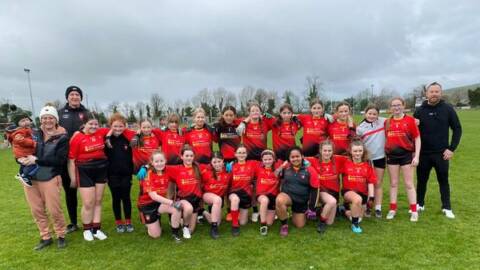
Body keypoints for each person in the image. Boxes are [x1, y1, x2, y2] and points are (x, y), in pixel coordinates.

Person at [20, 105, 68, 250]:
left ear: (56, 120)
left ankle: (61, 235)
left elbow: (60, 161)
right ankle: (45, 237)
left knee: (54, 209)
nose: (47, 120)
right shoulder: (32, 133)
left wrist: (36, 160)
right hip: (30, 179)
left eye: (51, 118)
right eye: (44, 118)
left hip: (50, 177)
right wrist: (20, 160)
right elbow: (19, 149)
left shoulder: (62, 138)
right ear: (40, 120)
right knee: (37, 210)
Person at [414, 82, 462, 219]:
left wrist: (451, 148)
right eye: (431, 91)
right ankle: (419, 203)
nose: (434, 94)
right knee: (422, 180)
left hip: (441, 153)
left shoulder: (448, 109)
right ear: (426, 94)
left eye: (437, 91)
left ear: (441, 93)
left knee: (443, 180)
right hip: (423, 153)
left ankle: (446, 207)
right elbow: (412, 131)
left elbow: (457, 129)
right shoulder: (419, 111)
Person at [68, 112, 110, 241]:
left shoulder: (101, 132)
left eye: (96, 124)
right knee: (88, 203)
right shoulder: (77, 137)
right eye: (90, 124)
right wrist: (73, 178)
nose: (94, 126)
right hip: (84, 170)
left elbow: (116, 127)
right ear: (84, 124)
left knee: (98, 201)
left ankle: (96, 229)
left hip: (101, 169)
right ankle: (87, 229)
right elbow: (71, 160)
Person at [58, 85, 90, 233]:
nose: (75, 97)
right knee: (70, 190)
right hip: (65, 158)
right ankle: (73, 222)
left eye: (77, 95)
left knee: (87, 191)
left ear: (81, 97)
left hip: (84, 158)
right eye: (72, 95)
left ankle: (88, 220)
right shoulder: (59, 113)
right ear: (67, 97)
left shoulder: (87, 113)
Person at [384, 98, 421, 222]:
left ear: (404, 106)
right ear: (390, 107)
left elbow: (417, 138)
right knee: (393, 183)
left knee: (409, 184)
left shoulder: (410, 120)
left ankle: (414, 211)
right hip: (392, 156)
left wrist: (416, 156)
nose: (396, 108)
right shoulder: (387, 122)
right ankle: (392, 209)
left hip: (406, 156)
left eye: (399, 105)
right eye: (394, 105)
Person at [137, 151, 182, 242]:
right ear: (152, 163)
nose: (159, 163)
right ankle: (146, 219)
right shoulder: (148, 174)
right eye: (156, 161)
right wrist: (172, 202)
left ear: (165, 161)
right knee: (156, 235)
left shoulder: (168, 169)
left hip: (160, 202)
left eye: (161, 161)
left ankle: (175, 234)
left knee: (176, 209)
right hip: (147, 204)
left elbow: (184, 167)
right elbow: (153, 196)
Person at [275, 146, 319, 237]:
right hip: (288, 197)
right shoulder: (286, 168)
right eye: (292, 157)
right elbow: (275, 176)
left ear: (302, 156)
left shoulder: (310, 170)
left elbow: (315, 189)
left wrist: (312, 208)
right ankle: (284, 225)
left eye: (297, 156)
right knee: (279, 201)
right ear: (289, 159)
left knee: (300, 225)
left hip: (301, 200)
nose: (295, 159)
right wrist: (281, 167)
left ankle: (311, 211)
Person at [306, 140, 346, 233]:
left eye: (329, 151)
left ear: (333, 151)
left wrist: (365, 160)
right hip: (321, 191)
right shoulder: (313, 160)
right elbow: (298, 159)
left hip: (334, 192)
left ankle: (318, 211)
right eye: (325, 150)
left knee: (330, 222)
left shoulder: (338, 159)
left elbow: (353, 158)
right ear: (320, 150)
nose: (327, 153)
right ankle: (321, 222)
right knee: (332, 202)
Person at [104, 113, 134, 233]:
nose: (118, 129)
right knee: (116, 198)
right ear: (110, 126)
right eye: (115, 126)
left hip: (126, 174)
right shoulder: (107, 139)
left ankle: (128, 221)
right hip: (112, 175)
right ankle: (119, 222)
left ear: (125, 126)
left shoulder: (128, 138)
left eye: (121, 126)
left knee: (126, 197)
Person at [167, 145, 204, 239]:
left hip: (195, 201)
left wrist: (230, 165)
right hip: (183, 199)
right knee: (188, 209)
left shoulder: (199, 167)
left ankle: (183, 220)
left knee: (192, 230)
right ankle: (184, 225)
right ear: (181, 156)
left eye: (191, 156)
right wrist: (146, 167)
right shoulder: (176, 169)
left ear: (194, 156)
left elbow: (214, 165)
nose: (189, 158)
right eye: (186, 156)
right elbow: (160, 166)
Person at [356, 104, 386, 218]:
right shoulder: (360, 127)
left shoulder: (383, 121)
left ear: (378, 115)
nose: (372, 116)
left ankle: (378, 208)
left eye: (375, 114)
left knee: (378, 183)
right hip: (367, 159)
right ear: (365, 113)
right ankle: (368, 206)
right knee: (367, 184)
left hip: (380, 157)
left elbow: (398, 117)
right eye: (370, 113)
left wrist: (415, 120)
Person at [341, 140, 376, 233]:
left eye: (360, 151)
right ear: (350, 152)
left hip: (363, 194)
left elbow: (371, 182)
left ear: (363, 151)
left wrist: (371, 198)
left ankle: (343, 210)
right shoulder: (345, 162)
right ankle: (355, 225)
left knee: (359, 217)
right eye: (355, 151)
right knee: (357, 199)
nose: (358, 153)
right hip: (348, 192)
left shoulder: (367, 165)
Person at [227, 145, 259, 236]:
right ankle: (234, 225)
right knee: (235, 199)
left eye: (244, 153)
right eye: (239, 153)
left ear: (247, 154)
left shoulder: (253, 164)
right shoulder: (231, 166)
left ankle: (238, 213)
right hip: (234, 193)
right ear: (235, 154)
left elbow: (266, 164)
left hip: (246, 194)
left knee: (243, 223)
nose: (241, 154)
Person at [200, 152, 231, 239]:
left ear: (223, 161)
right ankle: (214, 228)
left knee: (218, 222)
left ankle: (203, 212)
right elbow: (198, 186)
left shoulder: (228, 171)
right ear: (211, 162)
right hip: (207, 195)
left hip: (218, 200)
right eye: (214, 162)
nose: (217, 164)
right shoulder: (205, 172)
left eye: (219, 161)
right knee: (217, 199)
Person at [6, 113, 38, 187]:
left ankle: (20, 173)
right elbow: (20, 140)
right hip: (23, 153)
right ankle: (25, 176)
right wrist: (33, 143)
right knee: (34, 164)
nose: (26, 122)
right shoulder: (20, 131)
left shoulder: (28, 129)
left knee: (25, 165)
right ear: (18, 124)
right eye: (22, 121)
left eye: (27, 120)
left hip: (24, 152)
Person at [254, 150, 282, 235]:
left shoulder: (278, 168)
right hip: (262, 195)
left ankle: (263, 214)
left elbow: (287, 162)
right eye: (265, 159)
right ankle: (263, 225)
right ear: (262, 160)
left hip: (273, 196)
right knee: (264, 200)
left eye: (270, 159)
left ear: (274, 159)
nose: (267, 161)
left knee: (270, 223)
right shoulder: (258, 167)